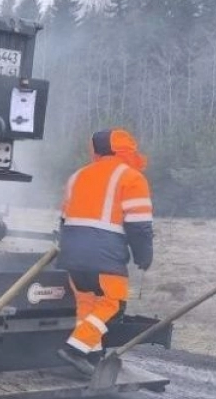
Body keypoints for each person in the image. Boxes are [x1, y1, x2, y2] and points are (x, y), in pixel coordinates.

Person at [56, 128, 154, 374]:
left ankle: (91, 358)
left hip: (72, 252)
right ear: (126, 149)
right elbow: (139, 226)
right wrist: (143, 256)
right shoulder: (131, 177)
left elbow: (64, 219)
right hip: (104, 254)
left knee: (87, 306)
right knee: (114, 303)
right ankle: (75, 350)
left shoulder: (77, 176)